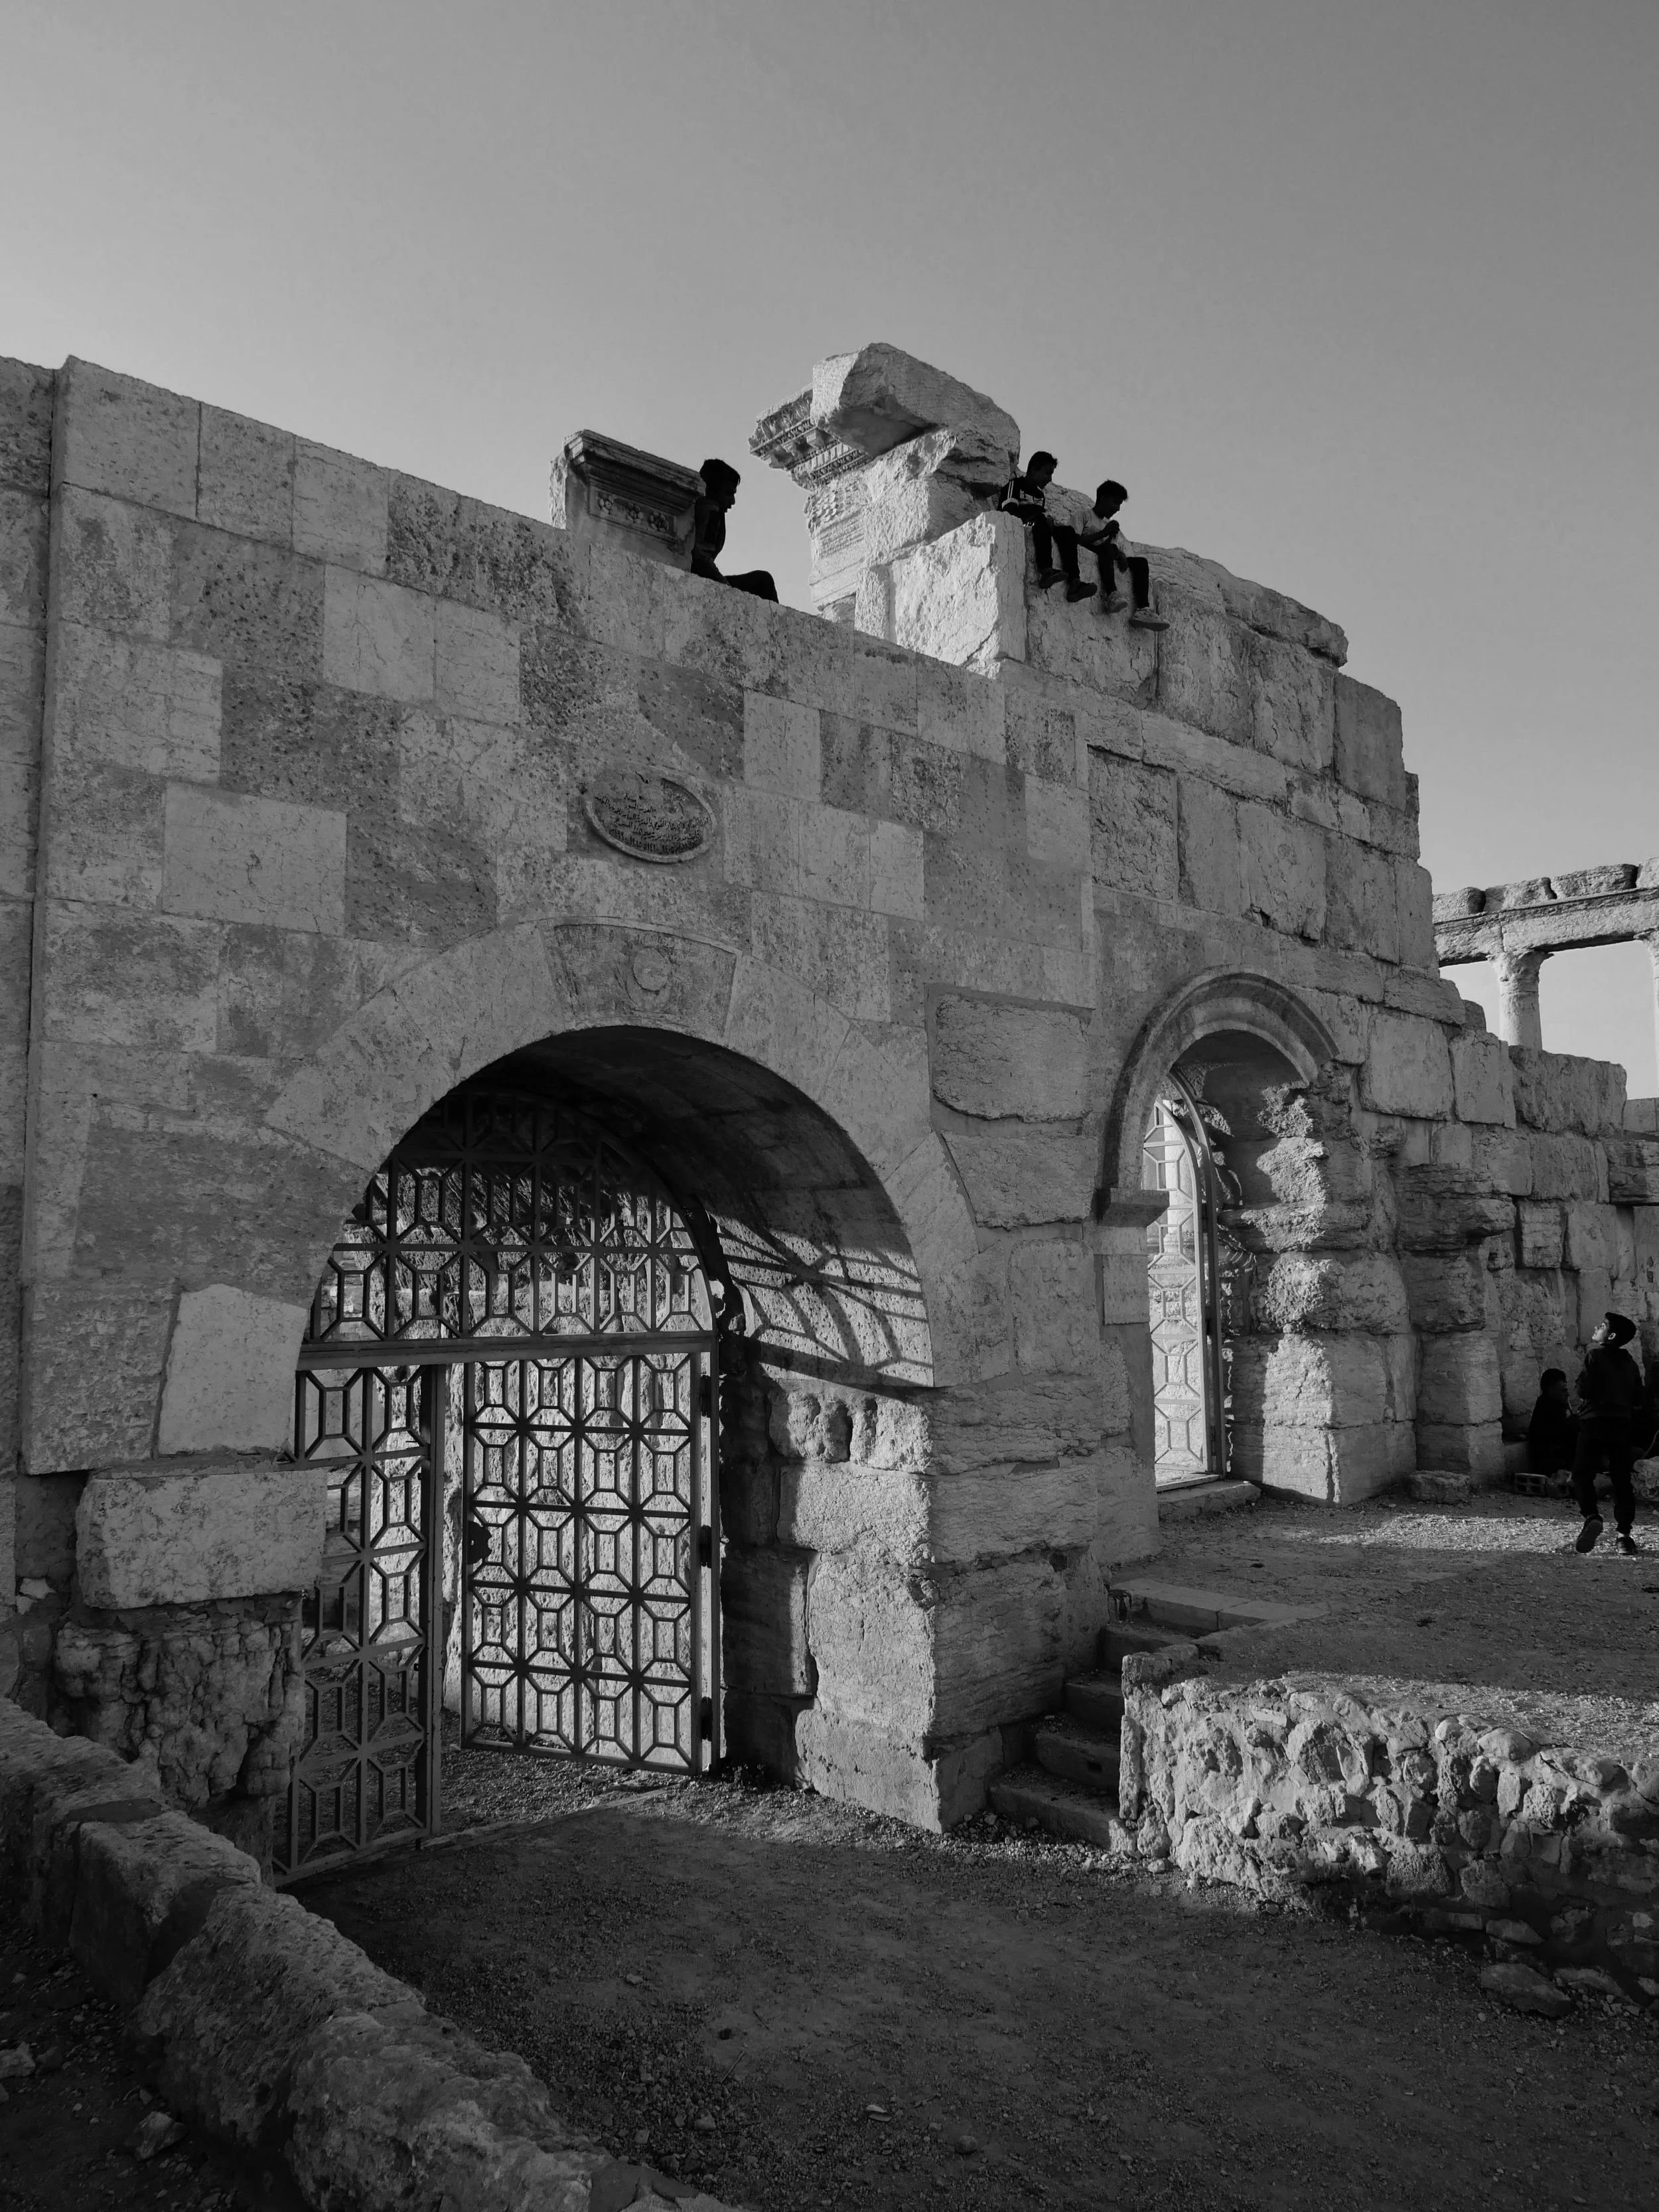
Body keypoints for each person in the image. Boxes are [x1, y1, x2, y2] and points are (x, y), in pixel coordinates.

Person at [1571, 1312, 1644, 1555]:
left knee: (1582, 1473)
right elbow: (1637, 1397)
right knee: (1621, 1477)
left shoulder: (1594, 1355)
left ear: (1610, 1336)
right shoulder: (1630, 1362)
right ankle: (1624, 1536)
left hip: (1594, 1422)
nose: (1596, 1327)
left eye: (1602, 1326)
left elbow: (1583, 1391)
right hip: (1622, 1424)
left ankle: (1592, 1515)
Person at [999, 452, 1097, 603]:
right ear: (1033, 470)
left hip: (1038, 525)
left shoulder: (1040, 495)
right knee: (1041, 520)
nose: (1050, 479)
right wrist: (1039, 515)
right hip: (1019, 524)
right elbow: (1009, 511)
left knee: (1068, 532)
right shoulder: (1015, 485)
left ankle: (1074, 582)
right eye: (1047, 473)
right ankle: (1046, 571)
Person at [1078, 480, 1169, 630]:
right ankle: (1112, 594)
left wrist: (1119, 553)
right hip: (1096, 553)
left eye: (1120, 504)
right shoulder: (1083, 516)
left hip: (1108, 555)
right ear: (1103, 498)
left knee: (1141, 563)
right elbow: (1076, 539)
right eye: (1115, 503)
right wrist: (1103, 534)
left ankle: (1143, 609)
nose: (1118, 508)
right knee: (1106, 550)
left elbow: (1110, 546)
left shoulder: (1107, 524)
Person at [691, 460, 778, 601]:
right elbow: (701, 558)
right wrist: (726, 588)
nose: (732, 501)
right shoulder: (711, 511)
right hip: (698, 579)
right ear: (711, 490)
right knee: (763, 580)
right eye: (728, 494)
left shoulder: (702, 507)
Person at [1526, 1368, 1579, 1477]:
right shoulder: (1547, 1407)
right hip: (1553, 1461)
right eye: (1563, 1390)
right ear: (1550, 1390)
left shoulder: (1559, 1403)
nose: (1568, 1394)